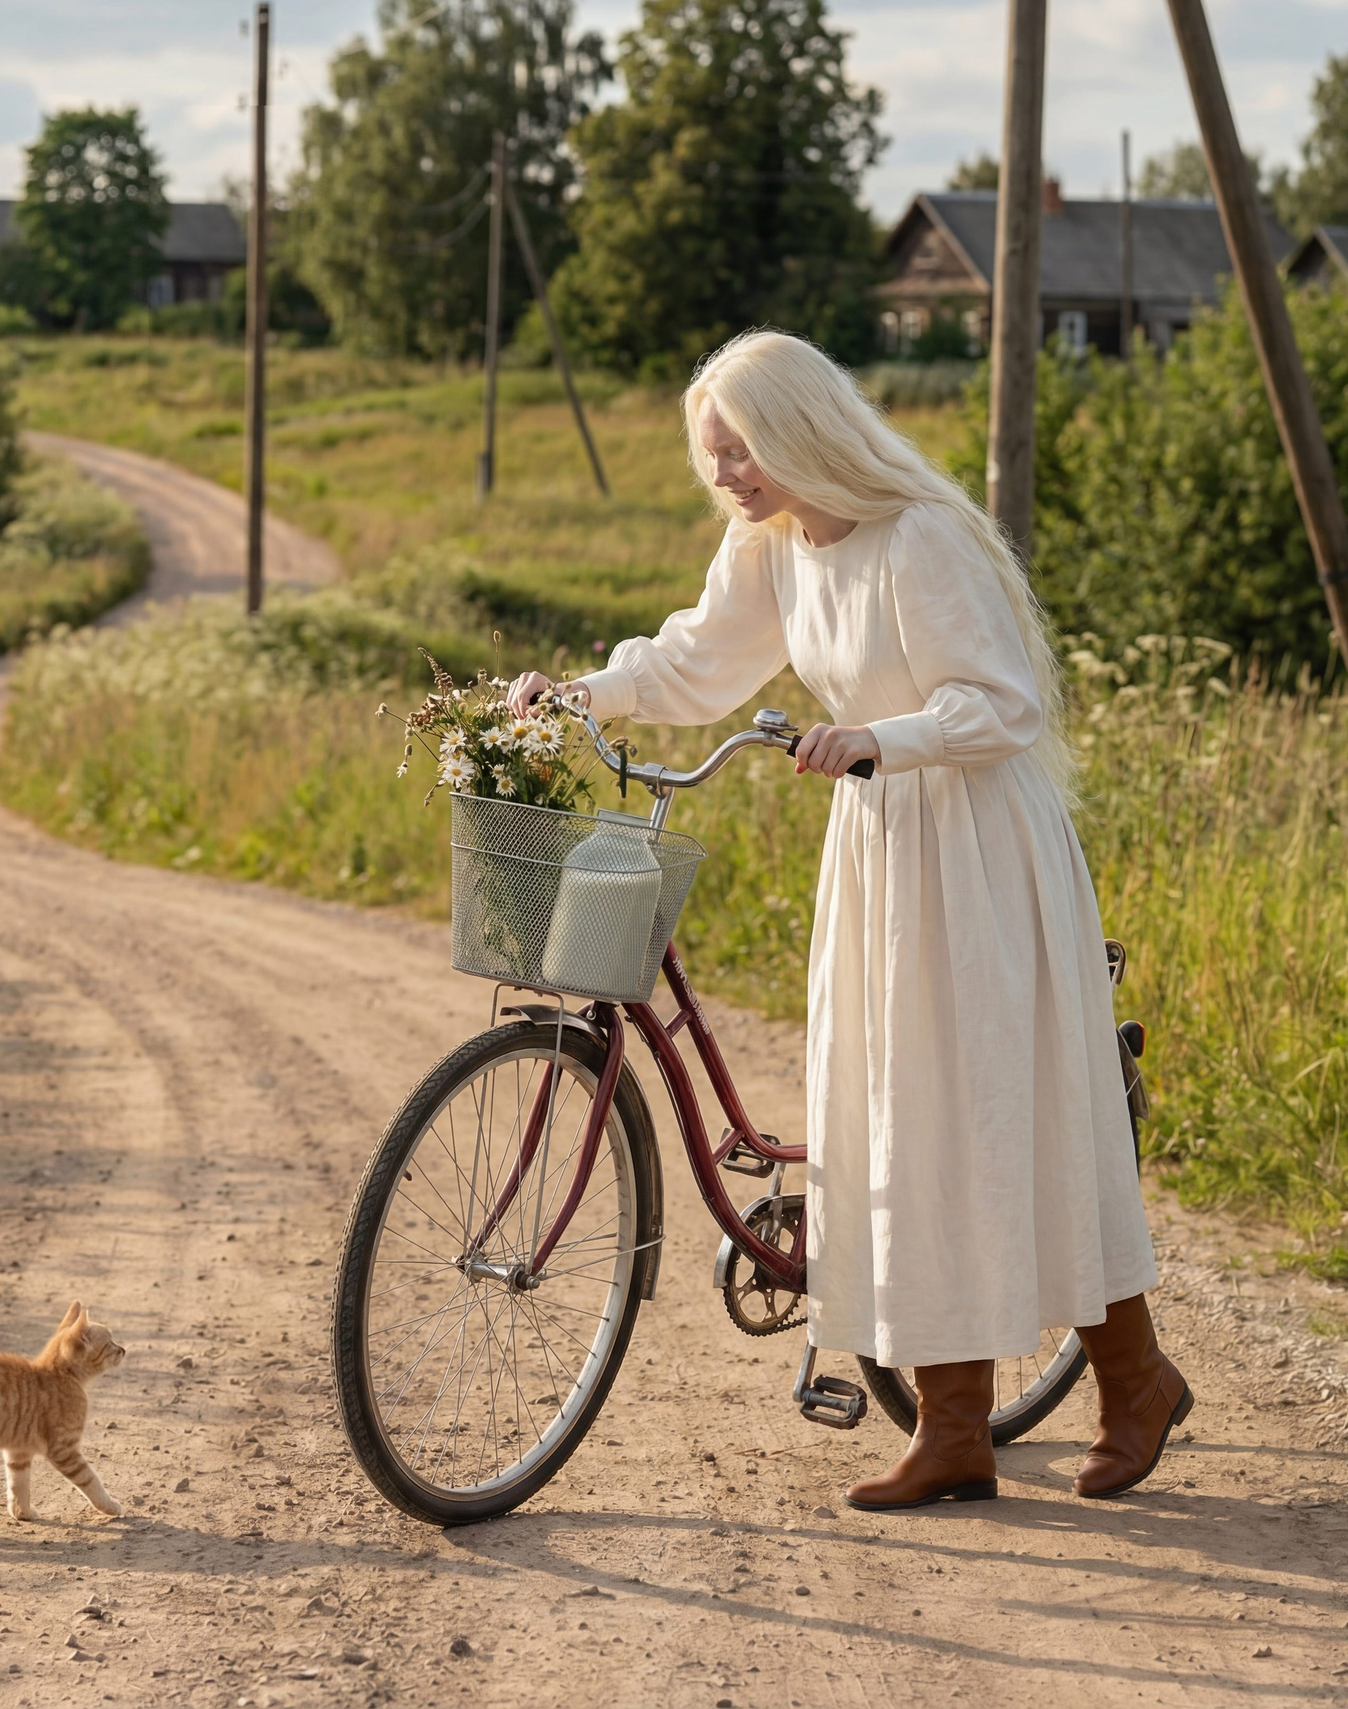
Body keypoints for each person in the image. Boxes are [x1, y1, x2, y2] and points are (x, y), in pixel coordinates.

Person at [507, 329, 1189, 1510]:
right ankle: (954, 1430)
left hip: (976, 843)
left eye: (740, 449)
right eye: (710, 455)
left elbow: (1003, 706)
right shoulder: (772, 543)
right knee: (898, 1123)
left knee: (1003, 1117)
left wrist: (882, 736)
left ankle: (1136, 1382)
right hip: (880, 846)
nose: (723, 474)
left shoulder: (918, 537)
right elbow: (697, 662)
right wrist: (586, 694)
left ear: (801, 431)